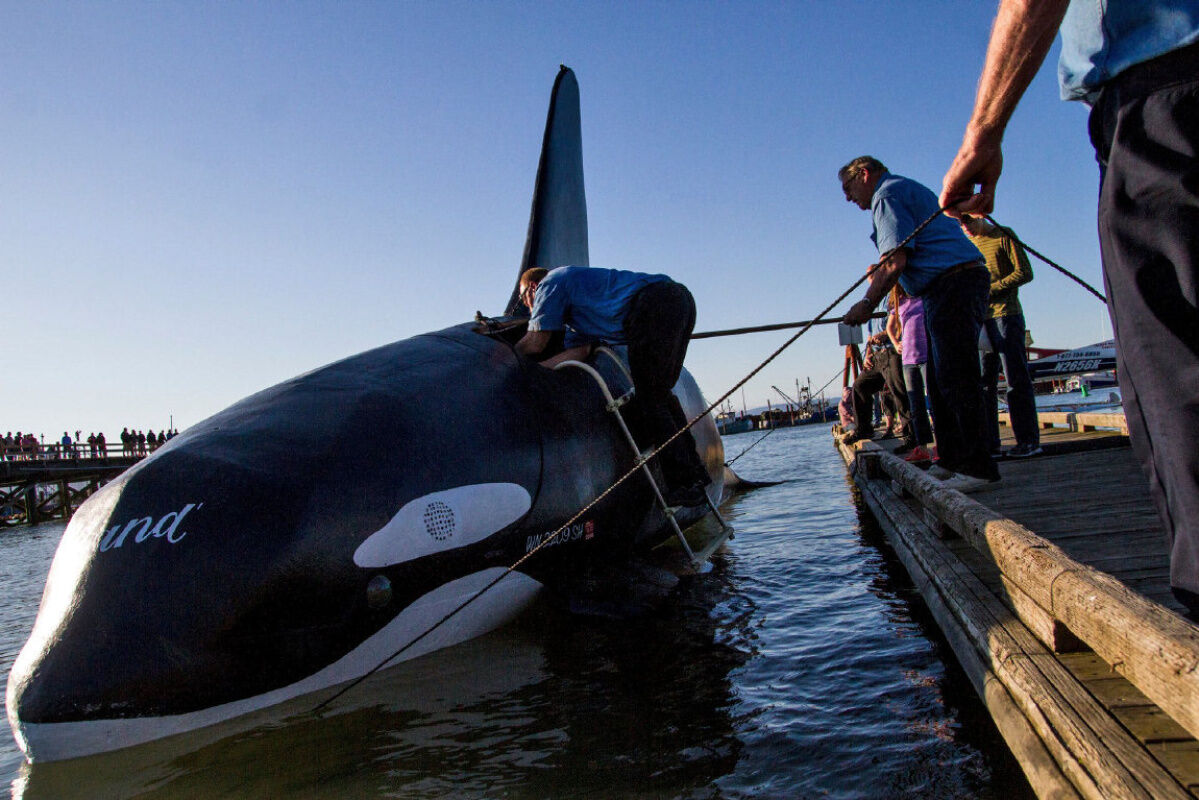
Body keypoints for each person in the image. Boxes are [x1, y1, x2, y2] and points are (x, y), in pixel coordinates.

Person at [939, 1, 1199, 614]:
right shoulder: (974, 244)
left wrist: (983, 131)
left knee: (1172, 375)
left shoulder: (996, 242)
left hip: (1164, 95)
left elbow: (1018, 272)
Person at [839, 156, 999, 493]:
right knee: (941, 381)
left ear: (864, 174)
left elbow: (895, 259)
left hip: (953, 282)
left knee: (956, 376)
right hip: (947, 285)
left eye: (848, 187)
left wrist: (868, 303)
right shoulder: (905, 188)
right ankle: (953, 460)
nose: (847, 197)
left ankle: (978, 467)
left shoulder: (886, 196)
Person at [515, 266, 711, 507]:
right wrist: (540, 370)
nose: (528, 308)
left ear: (533, 288)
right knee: (659, 396)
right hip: (678, 301)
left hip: (655, 304)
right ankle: (695, 475)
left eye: (525, 300)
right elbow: (580, 351)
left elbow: (536, 341)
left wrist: (511, 363)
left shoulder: (550, 283)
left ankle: (683, 484)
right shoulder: (578, 320)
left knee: (650, 398)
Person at [961, 216, 1041, 458]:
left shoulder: (1003, 235)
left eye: (966, 220)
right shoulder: (965, 244)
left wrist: (991, 289)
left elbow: (1025, 273)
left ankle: (1028, 441)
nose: (965, 227)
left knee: (1015, 379)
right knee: (985, 385)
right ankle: (991, 445)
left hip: (1006, 316)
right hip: (979, 321)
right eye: (958, 223)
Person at [840, 329, 913, 452]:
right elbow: (870, 338)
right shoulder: (872, 316)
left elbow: (899, 325)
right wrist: (868, 354)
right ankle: (864, 429)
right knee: (860, 386)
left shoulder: (892, 309)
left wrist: (885, 334)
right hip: (877, 355)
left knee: (898, 392)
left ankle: (910, 437)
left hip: (892, 351)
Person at [888, 283, 934, 463]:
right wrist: (895, 342)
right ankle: (922, 447)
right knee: (916, 405)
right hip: (908, 358)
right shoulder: (898, 302)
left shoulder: (925, 295)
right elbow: (890, 327)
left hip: (927, 354)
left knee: (934, 401)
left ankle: (941, 447)